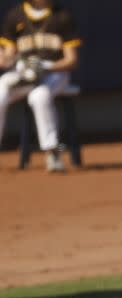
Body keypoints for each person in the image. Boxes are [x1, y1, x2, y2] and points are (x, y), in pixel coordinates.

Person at [0, 0, 80, 172]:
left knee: (39, 96)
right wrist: (6, 59)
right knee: (0, 92)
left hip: (55, 73)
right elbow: (7, 56)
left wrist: (47, 66)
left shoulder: (62, 16)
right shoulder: (15, 16)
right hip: (24, 74)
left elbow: (71, 60)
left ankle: (52, 153)